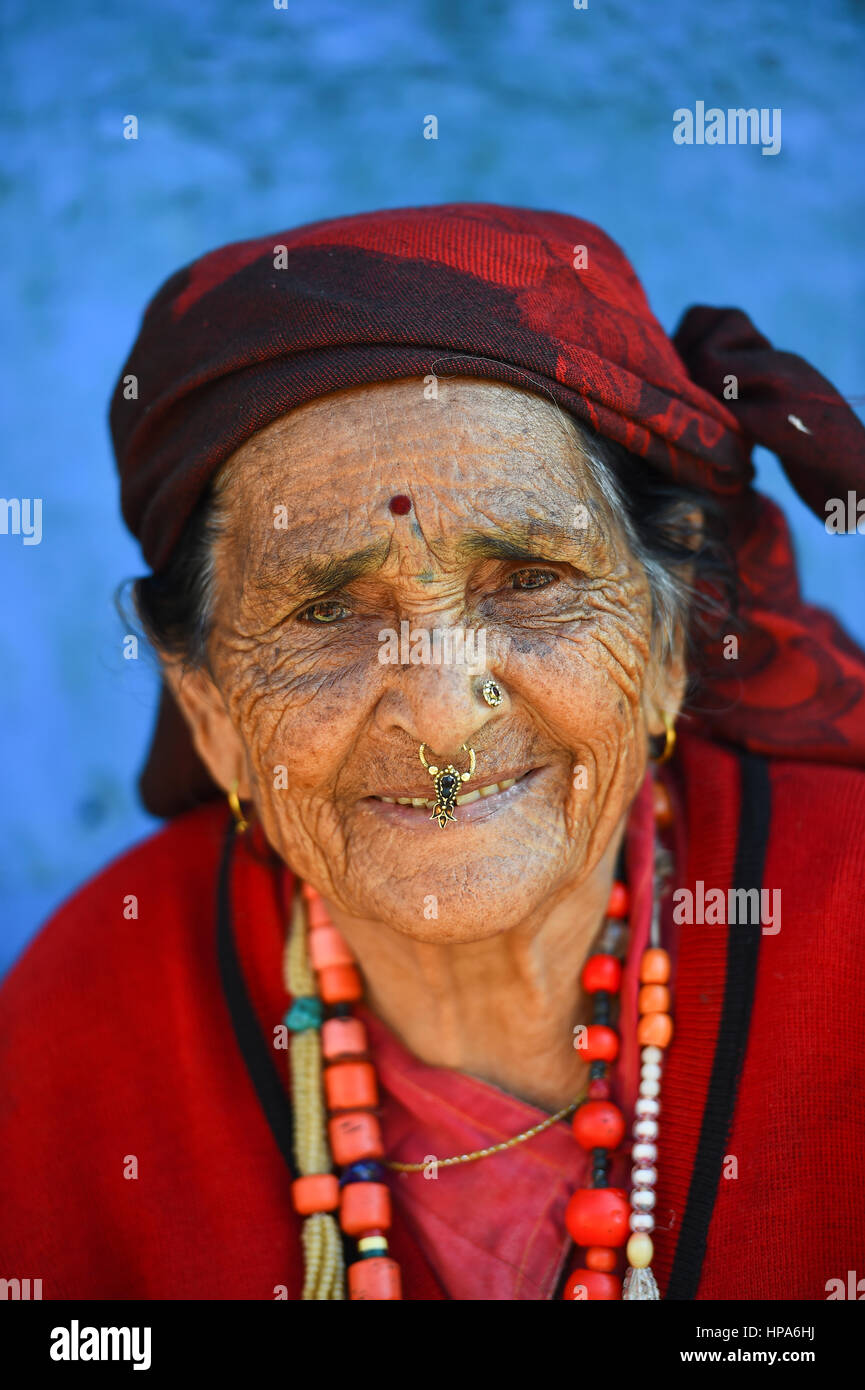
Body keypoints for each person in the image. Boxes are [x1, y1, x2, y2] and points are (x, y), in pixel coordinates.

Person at [2, 203, 864, 1301]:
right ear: (206, 703)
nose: (447, 718)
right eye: (325, 612)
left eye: (531, 581)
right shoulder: (80, 1026)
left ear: (662, 638)